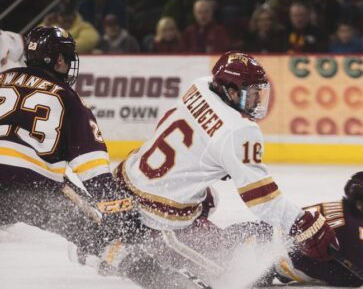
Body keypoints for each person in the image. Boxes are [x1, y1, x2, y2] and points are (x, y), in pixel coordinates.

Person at [108, 52, 337, 283]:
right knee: (229, 273)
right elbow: (263, 201)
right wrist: (300, 222)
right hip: (158, 216)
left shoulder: (200, 86)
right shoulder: (239, 130)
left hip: (126, 178)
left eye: (260, 93)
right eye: (252, 94)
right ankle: (144, 249)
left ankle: (149, 236)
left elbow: (189, 132)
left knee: (209, 198)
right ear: (230, 91)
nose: (257, 101)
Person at [0, 26, 134, 264]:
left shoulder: (2, 79)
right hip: (31, 190)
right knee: (105, 241)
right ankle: (159, 277)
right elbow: (92, 168)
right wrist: (119, 211)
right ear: (59, 59)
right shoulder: (69, 99)